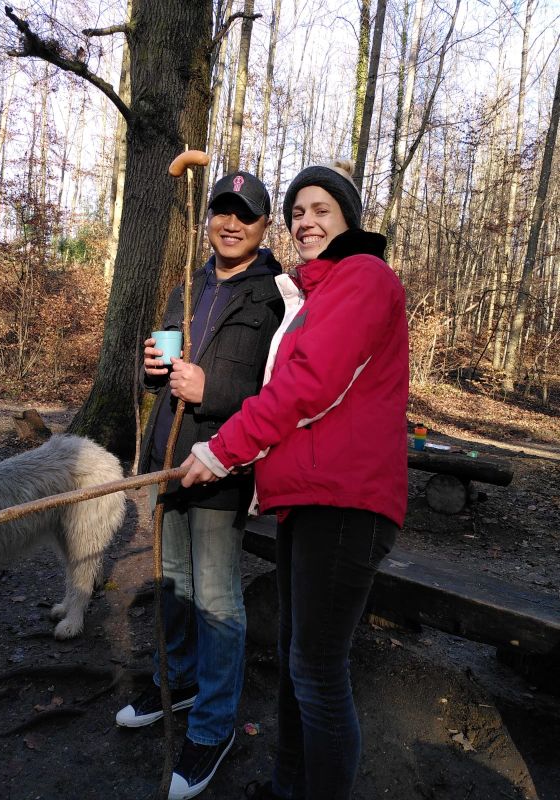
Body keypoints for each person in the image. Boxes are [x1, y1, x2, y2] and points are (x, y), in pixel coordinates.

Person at [181, 161, 409, 800]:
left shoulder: (364, 278)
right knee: (296, 664)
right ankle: (287, 787)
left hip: (348, 501)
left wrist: (223, 450)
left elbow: (307, 387)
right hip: (309, 499)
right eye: (298, 213)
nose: (306, 222)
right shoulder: (318, 291)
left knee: (317, 673)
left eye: (321, 211)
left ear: (348, 219)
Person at [115, 171, 284, 800]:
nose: (230, 222)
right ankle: (180, 683)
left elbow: (281, 397)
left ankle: (214, 727)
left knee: (216, 597)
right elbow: (159, 379)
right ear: (208, 218)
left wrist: (210, 391)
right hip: (170, 459)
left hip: (223, 466)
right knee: (176, 583)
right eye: (221, 210)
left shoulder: (276, 299)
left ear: (265, 226)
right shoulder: (188, 286)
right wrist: (153, 373)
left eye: (245, 213)